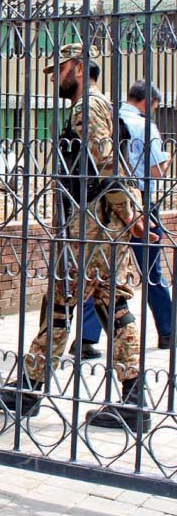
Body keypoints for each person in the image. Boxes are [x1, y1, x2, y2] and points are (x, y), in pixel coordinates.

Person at [0, 44, 149, 431]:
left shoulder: (87, 107)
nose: (55, 77)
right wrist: (129, 214)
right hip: (106, 222)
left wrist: (130, 213)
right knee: (112, 305)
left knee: (60, 299)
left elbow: (105, 163)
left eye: (58, 70)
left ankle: (28, 389)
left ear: (76, 66)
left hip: (93, 224)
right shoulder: (102, 104)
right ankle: (134, 397)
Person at [78, 82, 172, 351]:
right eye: (154, 107)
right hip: (139, 201)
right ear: (149, 102)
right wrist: (167, 158)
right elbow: (156, 171)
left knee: (98, 271)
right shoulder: (144, 126)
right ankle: (167, 331)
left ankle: (85, 338)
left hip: (106, 202)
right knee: (151, 270)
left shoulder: (107, 117)